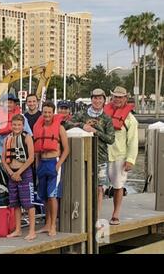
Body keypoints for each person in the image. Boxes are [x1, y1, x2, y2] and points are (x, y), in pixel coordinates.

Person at [63, 89, 115, 218]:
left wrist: (94, 131)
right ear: (91, 99)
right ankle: (82, 214)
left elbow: (111, 139)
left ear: (104, 100)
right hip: (82, 157)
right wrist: (82, 125)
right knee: (82, 185)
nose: (97, 101)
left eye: (100, 98)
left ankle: (96, 215)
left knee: (99, 188)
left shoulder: (107, 118)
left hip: (100, 158)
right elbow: (66, 125)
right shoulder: (81, 114)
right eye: (95, 98)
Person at [33, 101, 69, 236]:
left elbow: (66, 149)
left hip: (54, 162)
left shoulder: (60, 128)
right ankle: (47, 224)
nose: (46, 115)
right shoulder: (39, 126)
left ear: (53, 113)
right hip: (42, 163)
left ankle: (53, 225)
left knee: (52, 196)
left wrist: (58, 164)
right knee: (43, 196)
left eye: (49, 112)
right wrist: (37, 165)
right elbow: (37, 150)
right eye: (45, 112)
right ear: (42, 112)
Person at [104, 86, 138, 225]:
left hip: (119, 156)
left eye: (120, 97)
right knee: (99, 187)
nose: (117, 99)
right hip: (103, 154)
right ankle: (95, 213)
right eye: (115, 96)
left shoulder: (131, 119)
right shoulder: (103, 114)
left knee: (118, 186)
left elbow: (133, 141)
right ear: (111, 97)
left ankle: (116, 214)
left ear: (125, 98)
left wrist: (130, 160)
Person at [2, 114, 36, 241]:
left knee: (28, 203)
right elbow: (4, 159)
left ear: (23, 125)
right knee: (15, 203)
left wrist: (19, 173)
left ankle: (32, 231)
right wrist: (11, 173)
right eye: (14, 125)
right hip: (12, 174)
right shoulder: (7, 139)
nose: (16, 127)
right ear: (11, 125)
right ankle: (18, 229)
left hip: (24, 173)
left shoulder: (27, 137)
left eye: (19, 125)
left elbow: (31, 158)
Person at [0, 93, 32, 159]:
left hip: (19, 152)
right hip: (2, 152)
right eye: (6, 102)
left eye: (11, 102)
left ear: (15, 104)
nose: (8, 104)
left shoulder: (22, 117)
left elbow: (29, 135)